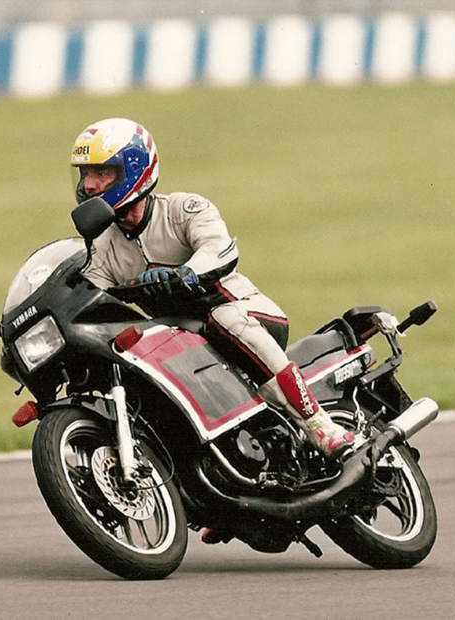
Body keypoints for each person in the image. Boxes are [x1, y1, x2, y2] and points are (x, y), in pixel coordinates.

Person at [72, 118, 355, 514]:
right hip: (188, 344)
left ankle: (319, 425)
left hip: (247, 313)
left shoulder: (185, 208)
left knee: (224, 320)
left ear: (133, 171)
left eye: (102, 173)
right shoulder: (103, 248)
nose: (88, 186)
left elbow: (219, 249)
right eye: (86, 175)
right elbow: (89, 292)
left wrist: (183, 275)